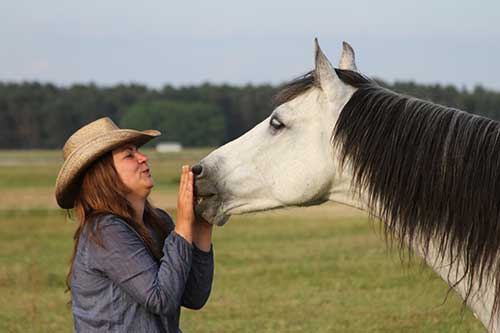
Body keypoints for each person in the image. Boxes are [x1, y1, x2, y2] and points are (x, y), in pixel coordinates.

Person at [55, 117, 214, 333]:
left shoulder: (158, 222)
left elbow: (194, 296)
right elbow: (160, 299)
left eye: (137, 151)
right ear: (104, 175)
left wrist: (202, 225)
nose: (143, 157)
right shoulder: (105, 230)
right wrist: (184, 224)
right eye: (129, 155)